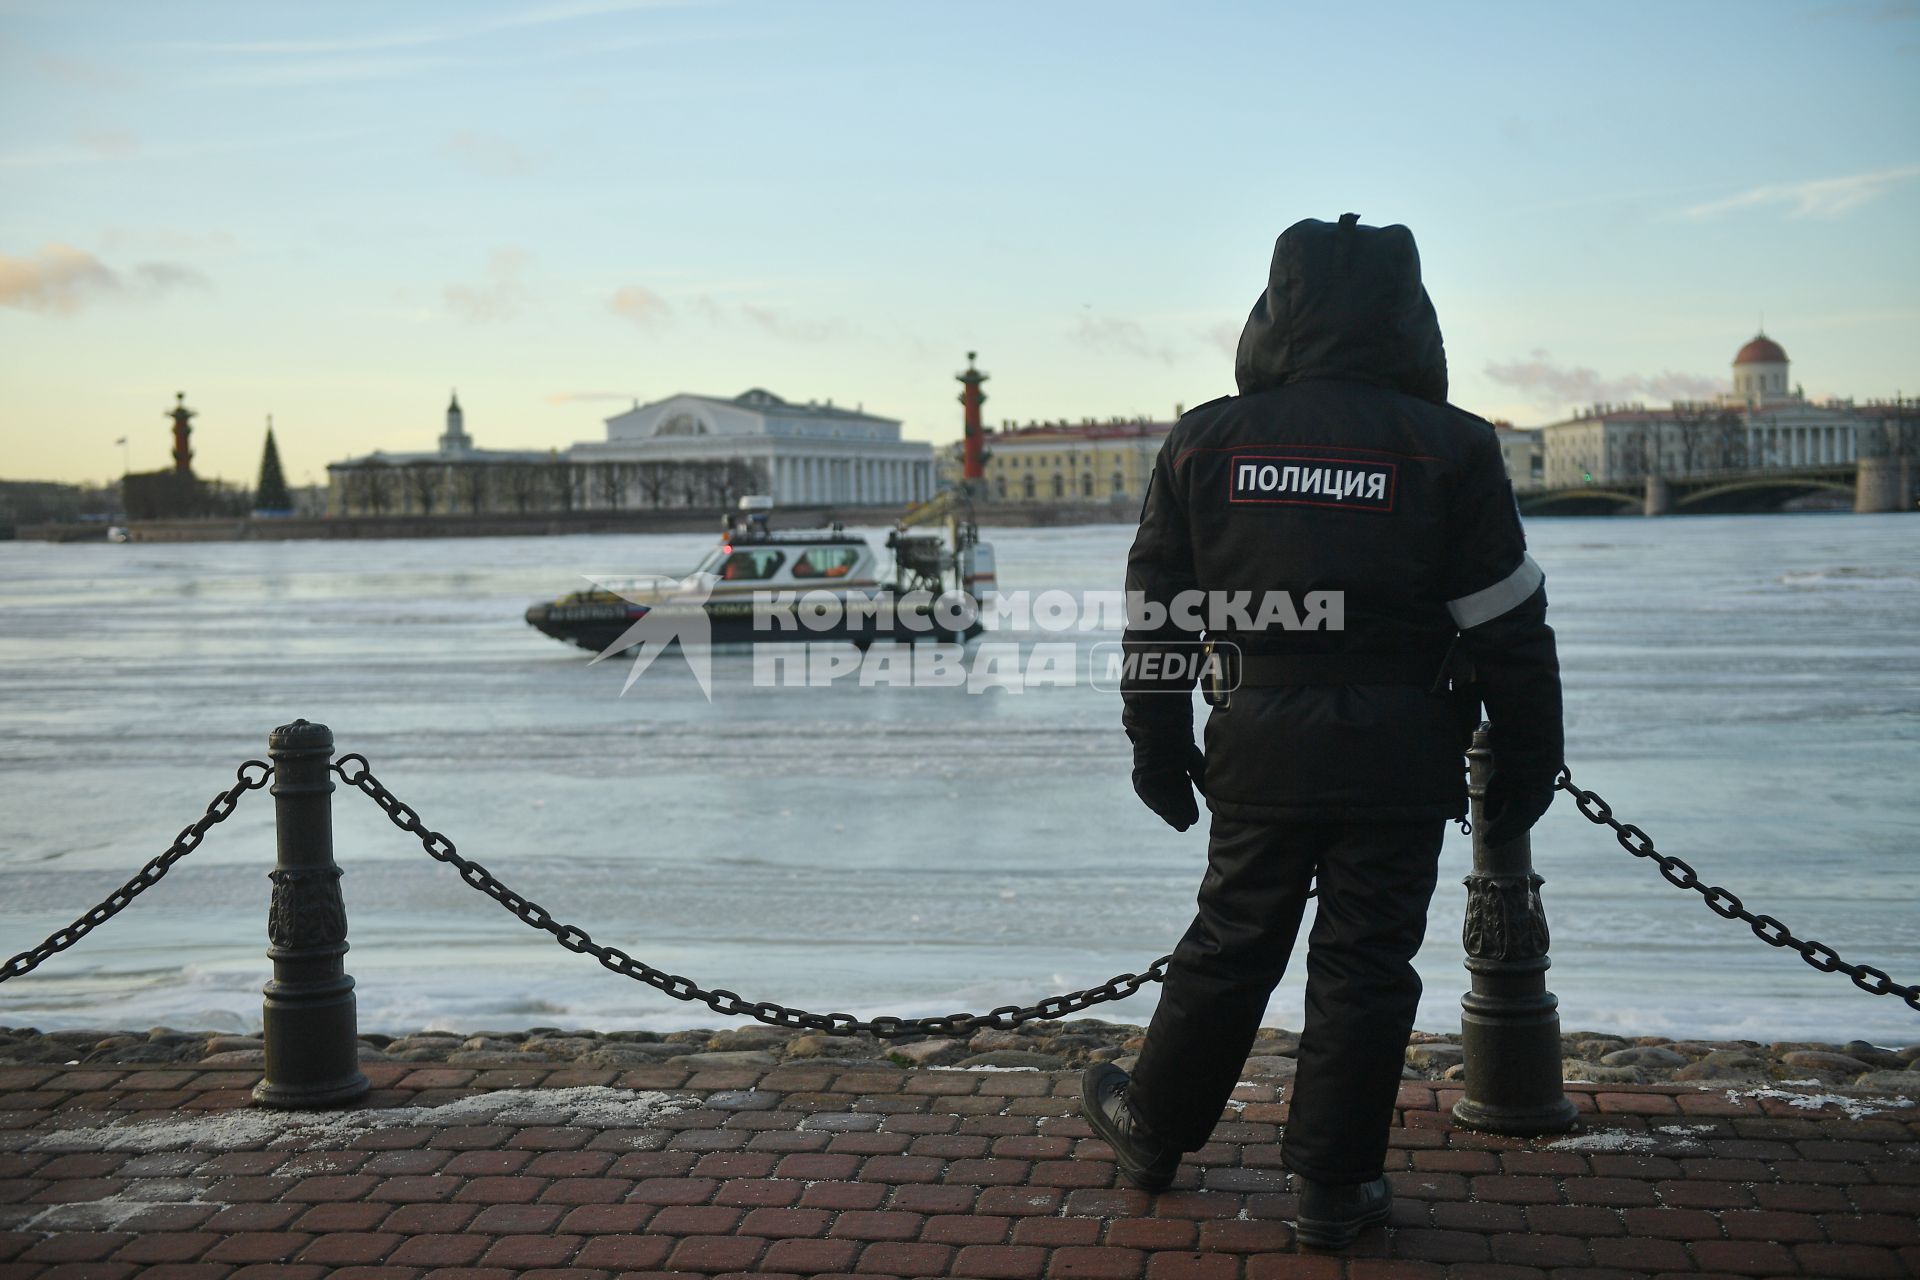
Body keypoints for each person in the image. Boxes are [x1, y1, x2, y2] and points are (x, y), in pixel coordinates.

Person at [1079, 214, 1564, 1250]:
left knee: (1231, 938)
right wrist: (1528, 759)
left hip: (1258, 739)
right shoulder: (1454, 445)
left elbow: (1159, 616)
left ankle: (1153, 1129)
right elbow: (1510, 625)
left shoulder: (1206, 439)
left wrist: (1156, 747)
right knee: (1368, 961)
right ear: (1409, 316)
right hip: (1404, 748)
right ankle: (1332, 1190)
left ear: (1275, 308)